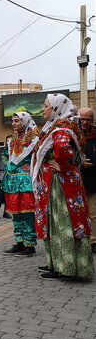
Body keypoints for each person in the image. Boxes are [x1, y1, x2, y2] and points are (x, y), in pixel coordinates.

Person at [32, 93, 93, 280]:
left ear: (57, 108)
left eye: (46, 105)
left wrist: (63, 164)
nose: (43, 109)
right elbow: (79, 152)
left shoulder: (61, 128)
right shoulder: (64, 125)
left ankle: (63, 266)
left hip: (60, 184)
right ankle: (59, 263)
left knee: (60, 222)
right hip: (67, 181)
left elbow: (63, 149)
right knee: (61, 221)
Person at [1, 113, 39, 257]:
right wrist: (9, 166)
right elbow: (5, 155)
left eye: (17, 121)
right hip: (12, 180)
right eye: (12, 121)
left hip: (26, 181)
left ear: (25, 121)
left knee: (27, 213)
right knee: (15, 213)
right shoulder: (11, 140)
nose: (13, 124)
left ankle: (30, 245)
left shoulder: (35, 139)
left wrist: (32, 166)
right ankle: (19, 242)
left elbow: (41, 156)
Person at [79, 107, 96, 253]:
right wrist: (80, 163)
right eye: (82, 119)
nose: (84, 122)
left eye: (88, 119)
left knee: (93, 212)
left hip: (93, 180)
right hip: (76, 180)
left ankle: (93, 240)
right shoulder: (73, 134)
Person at [0, 137, 12, 220]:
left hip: (10, 176)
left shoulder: (15, 151)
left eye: (10, 141)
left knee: (7, 194)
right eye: (7, 141)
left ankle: (6, 212)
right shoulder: (1, 150)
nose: (8, 142)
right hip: (0, 175)